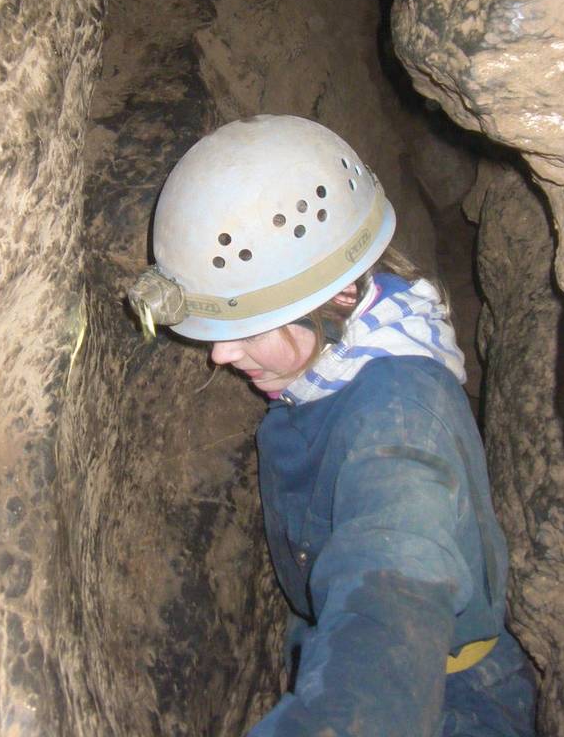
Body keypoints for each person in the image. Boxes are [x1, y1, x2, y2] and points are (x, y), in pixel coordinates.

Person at [128, 115, 536, 736]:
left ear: (339, 298)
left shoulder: (398, 426)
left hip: (449, 700)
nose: (220, 355)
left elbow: (391, 589)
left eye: (243, 330)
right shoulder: (342, 347)